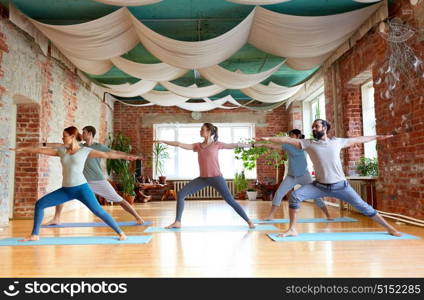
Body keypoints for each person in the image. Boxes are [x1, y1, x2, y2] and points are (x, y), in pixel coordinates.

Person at [260, 119, 401, 237]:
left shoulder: (337, 142)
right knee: (295, 196)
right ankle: (292, 229)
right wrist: (268, 138)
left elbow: (359, 139)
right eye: (313, 127)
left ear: (325, 128)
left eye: (317, 126)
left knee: (364, 207)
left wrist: (377, 137)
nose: (314, 129)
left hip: (340, 186)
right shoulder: (308, 143)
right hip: (319, 186)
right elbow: (287, 140)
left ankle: (389, 228)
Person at [10, 126, 140, 241]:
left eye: (64, 136)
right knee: (40, 204)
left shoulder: (85, 151)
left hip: (81, 189)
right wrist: (22, 149)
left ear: (72, 137)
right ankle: (35, 235)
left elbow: (107, 155)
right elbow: (41, 150)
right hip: (66, 190)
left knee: (98, 211)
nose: (62, 138)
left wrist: (125, 156)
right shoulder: (62, 151)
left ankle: (120, 233)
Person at [155, 123, 255, 229]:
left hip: (216, 178)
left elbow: (234, 145)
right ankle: (177, 222)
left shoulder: (217, 144)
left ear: (209, 132)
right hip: (203, 178)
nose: (200, 131)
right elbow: (179, 144)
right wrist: (163, 141)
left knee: (230, 201)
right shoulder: (197, 146)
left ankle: (249, 221)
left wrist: (251, 145)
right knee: (181, 194)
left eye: (202, 129)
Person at [43, 126, 144, 225]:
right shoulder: (79, 146)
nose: (82, 135)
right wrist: (44, 144)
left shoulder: (99, 147)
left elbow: (113, 152)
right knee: (63, 195)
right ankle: (56, 218)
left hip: (98, 180)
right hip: (82, 182)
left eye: (84, 132)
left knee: (119, 200)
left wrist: (127, 156)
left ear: (90, 134)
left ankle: (137, 216)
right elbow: (59, 145)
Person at [255, 129, 332, 220]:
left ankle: (328, 215)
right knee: (279, 193)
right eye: (289, 135)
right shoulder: (288, 146)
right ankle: (270, 216)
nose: (290, 137)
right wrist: (263, 144)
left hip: (304, 176)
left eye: (291, 135)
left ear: (298, 135)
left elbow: (317, 146)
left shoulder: (304, 145)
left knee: (315, 195)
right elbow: (274, 146)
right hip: (291, 177)